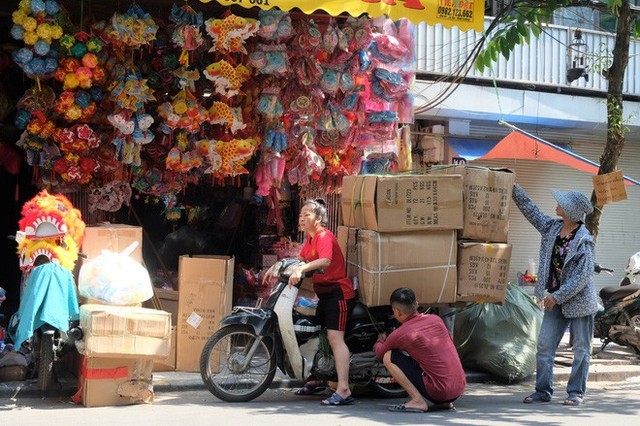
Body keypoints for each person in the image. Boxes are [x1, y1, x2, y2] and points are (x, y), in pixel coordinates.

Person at [262, 198, 356, 406]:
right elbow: (302, 259)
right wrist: (280, 265)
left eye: (307, 215)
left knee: (334, 338)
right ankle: (317, 378)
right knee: (316, 332)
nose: (302, 218)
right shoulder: (310, 239)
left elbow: (325, 261)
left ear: (319, 219)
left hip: (338, 294)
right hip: (323, 294)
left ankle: (343, 388)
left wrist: (301, 270)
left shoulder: (323, 236)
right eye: (301, 215)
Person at [512, 183, 597, 406]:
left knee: (581, 349)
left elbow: (582, 277)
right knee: (544, 346)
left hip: (579, 303)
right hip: (555, 300)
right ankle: (542, 391)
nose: (557, 204)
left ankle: (576, 392)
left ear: (570, 211)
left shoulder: (584, 241)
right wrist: (514, 188)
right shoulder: (551, 227)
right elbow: (531, 211)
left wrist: (557, 296)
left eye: (562, 203)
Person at [373, 287, 466, 413]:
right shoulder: (436, 319)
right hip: (458, 389)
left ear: (396, 312)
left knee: (388, 356)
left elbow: (380, 352)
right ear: (417, 304)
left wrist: (380, 339)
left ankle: (417, 401)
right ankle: (446, 402)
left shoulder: (401, 333)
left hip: (438, 391)